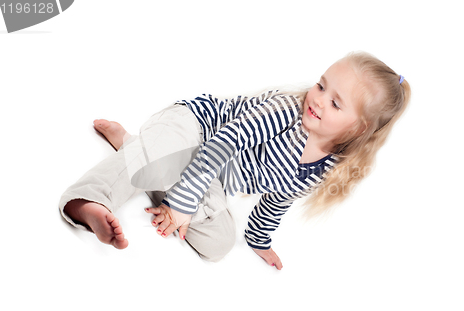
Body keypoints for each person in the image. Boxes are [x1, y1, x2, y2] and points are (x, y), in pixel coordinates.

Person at [59, 51, 411, 269]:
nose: (317, 99)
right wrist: (182, 206)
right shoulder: (287, 111)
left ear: (358, 128)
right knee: (171, 158)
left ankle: (134, 147)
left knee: (219, 244)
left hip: (207, 177)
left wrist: (260, 241)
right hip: (197, 129)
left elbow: (277, 201)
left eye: (335, 103)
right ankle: (88, 200)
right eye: (321, 85)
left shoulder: (323, 167)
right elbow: (223, 143)